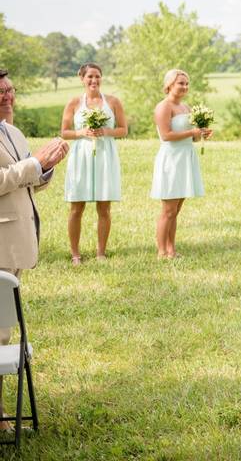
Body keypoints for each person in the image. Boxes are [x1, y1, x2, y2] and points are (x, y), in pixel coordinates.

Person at [0, 69, 68, 416]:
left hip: (16, 240)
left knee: (3, 332)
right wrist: (34, 163)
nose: (8, 96)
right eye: (1, 91)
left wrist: (47, 166)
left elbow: (28, 181)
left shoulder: (11, 131)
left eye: (10, 89)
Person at [60, 63, 127, 264]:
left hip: (106, 156)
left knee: (104, 208)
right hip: (81, 157)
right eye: (89, 76)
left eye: (97, 76)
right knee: (76, 208)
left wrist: (106, 131)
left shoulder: (113, 102)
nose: (94, 80)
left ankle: (101, 253)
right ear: (82, 79)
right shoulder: (73, 103)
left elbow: (123, 130)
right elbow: (64, 132)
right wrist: (82, 132)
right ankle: (75, 254)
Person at [150, 69, 211, 259]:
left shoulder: (186, 107)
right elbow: (167, 135)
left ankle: (171, 249)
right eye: (180, 83)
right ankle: (161, 251)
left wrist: (201, 134)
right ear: (169, 85)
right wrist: (192, 133)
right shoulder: (164, 107)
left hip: (186, 157)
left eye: (186, 83)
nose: (184, 87)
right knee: (168, 210)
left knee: (176, 210)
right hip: (171, 159)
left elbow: (191, 137)